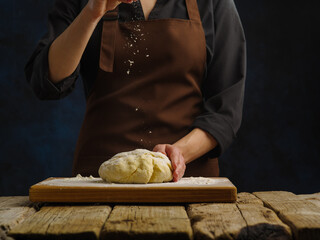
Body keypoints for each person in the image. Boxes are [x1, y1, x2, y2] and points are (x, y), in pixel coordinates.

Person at [25, 0, 246, 182]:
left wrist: (177, 155)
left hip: (187, 179)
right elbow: (46, 81)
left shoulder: (214, 4)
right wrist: (91, 13)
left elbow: (225, 109)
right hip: (99, 179)